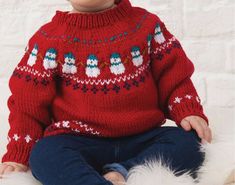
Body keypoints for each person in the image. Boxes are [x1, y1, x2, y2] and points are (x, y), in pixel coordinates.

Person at [0, 0, 212, 184]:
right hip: (77, 140)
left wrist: (187, 109)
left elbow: (173, 76)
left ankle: (120, 173)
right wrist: (18, 152)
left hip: (142, 138)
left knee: (189, 142)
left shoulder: (146, 25)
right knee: (44, 155)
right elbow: (27, 104)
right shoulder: (48, 40)